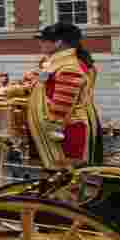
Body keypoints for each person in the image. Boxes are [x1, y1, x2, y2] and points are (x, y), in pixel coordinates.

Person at [6, 22, 102, 168]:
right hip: (57, 131)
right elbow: (39, 88)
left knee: (66, 179)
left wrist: (52, 129)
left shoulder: (68, 67)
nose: (40, 43)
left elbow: (62, 105)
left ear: (58, 43)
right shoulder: (55, 64)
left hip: (64, 133)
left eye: (44, 40)